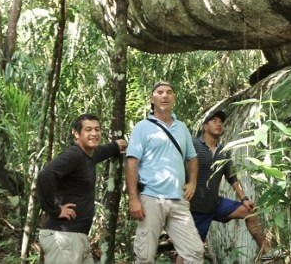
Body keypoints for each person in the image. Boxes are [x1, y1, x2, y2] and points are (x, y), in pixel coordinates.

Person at [176, 110, 274, 263]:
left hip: (215, 203)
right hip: (195, 208)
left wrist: (244, 198)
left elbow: (232, 178)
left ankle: (268, 253)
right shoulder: (193, 145)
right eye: (214, 121)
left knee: (250, 213)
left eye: (220, 121)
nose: (219, 123)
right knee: (187, 251)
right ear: (204, 127)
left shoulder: (224, 152)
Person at [126, 81, 204, 264]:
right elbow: (131, 162)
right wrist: (133, 198)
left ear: (174, 98)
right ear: (152, 98)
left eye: (169, 92)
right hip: (151, 198)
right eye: (159, 92)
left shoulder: (182, 127)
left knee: (195, 253)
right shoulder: (142, 127)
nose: (165, 95)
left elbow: (192, 158)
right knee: (145, 256)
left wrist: (192, 182)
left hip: (178, 199)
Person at [36, 114, 127, 264]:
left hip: (78, 238)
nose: (94, 133)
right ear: (77, 133)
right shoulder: (74, 155)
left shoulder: (89, 155)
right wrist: (55, 210)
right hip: (64, 237)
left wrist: (116, 146)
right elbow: (45, 176)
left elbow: (102, 151)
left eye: (97, 129)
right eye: (88, 129)